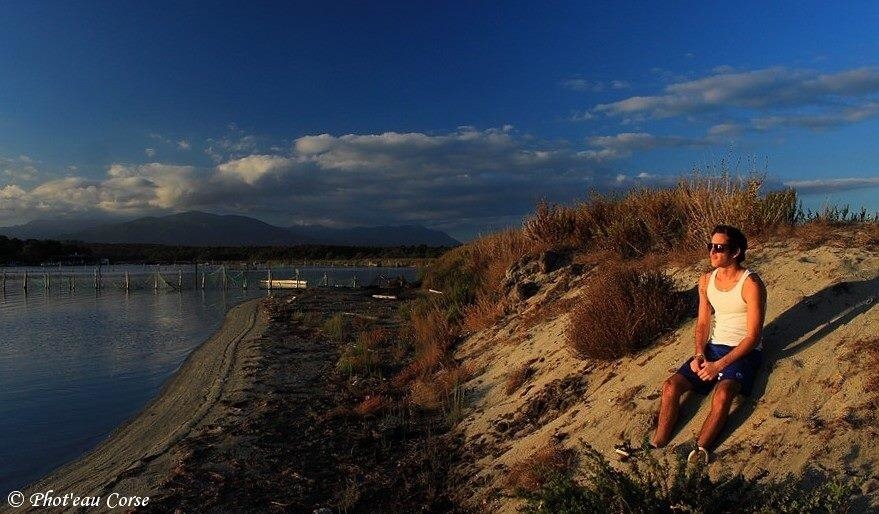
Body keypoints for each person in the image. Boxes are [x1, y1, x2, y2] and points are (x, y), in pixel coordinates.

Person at [651, 224, 767, 464]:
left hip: (743, 351)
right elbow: (703, 322)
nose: (712, 252)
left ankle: (698, 450)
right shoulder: (705, 280)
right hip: (714, 347)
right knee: (670, 386)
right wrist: (699, 354)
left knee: (723, 394)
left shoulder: (751, 283)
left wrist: (718, 366)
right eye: (710, 246)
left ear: (735, 252)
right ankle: (657, 443)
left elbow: (753, 337)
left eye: (719, 247)